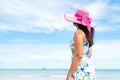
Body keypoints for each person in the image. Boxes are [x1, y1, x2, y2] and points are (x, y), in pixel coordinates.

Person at [64, 8, 96, 80]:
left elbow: (78, 55)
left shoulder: (78, 33)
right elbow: (90, 54)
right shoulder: (88, 35)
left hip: (80, 69)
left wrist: (69, 74)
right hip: (89, 69)